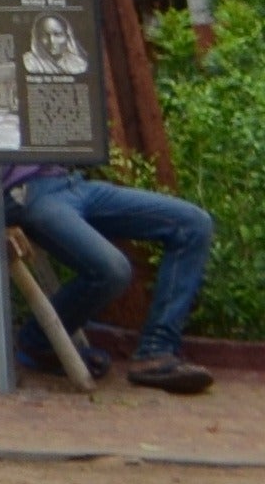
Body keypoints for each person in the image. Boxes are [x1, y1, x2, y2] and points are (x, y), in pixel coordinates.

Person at [11, 162, 220, 394]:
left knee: (194, 225)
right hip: (25, 195)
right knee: (112, 270)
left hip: (72, 183)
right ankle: (38, 341)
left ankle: (156, 351)